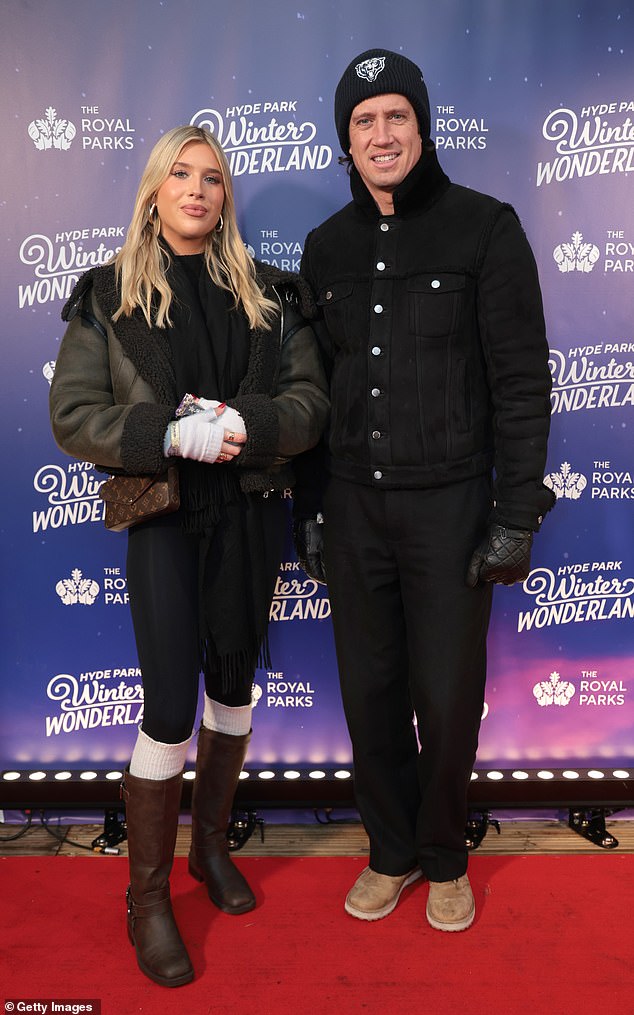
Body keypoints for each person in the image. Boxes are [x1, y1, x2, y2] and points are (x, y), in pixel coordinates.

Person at [50, 124, 329, 986]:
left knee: (235, 686)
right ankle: (148, 895)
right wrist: (164, 432)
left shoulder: (271, 293)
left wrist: (249, 425)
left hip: (248, 514)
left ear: (225, 196)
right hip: (164, 518)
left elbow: (312, 401)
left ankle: (210, 846)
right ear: (153, 190)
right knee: (169, 707)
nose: (197, 190)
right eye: (181, 175)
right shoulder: (107, 295)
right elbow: (73, 412)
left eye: (212, 178)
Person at [293, 49, 555, 932]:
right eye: (363, 121)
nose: (380, 133)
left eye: (394, 115)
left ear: (423, 124)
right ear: (346, 140)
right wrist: (312, 508)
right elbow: (314, 394)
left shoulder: (487, 228)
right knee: (369, 694)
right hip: (355, 504)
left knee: (444, 696)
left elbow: (521, 383)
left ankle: (445, 855)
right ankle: (391, 851)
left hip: (451, 509)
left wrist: (515, 514)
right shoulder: (325, 247)